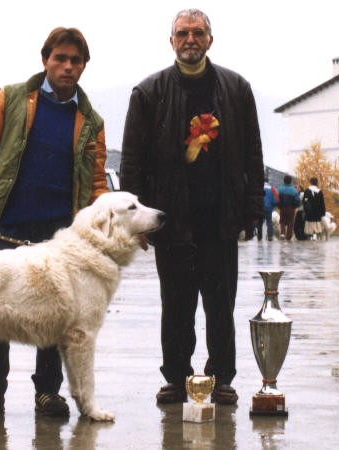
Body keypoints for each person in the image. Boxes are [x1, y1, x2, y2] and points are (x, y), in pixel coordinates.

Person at [0, 27, 109, 418]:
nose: (68, 66)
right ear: (45, 60)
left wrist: (117, 226)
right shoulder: (12, 99)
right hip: (3, 226)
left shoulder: (91, 120)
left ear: (84, 67)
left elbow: (96, 184)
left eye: (76, 61)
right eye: (61, 58)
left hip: (60, 236)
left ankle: (48, 393)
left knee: (55, 317)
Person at [120, 8, 264, 406]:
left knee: (221, 305)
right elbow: (132, 161)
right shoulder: (147, 93)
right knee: (176, 306)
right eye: (182, 33)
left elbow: (253, 151)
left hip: (220, 219)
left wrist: (252, 208)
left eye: (197, 33)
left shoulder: (237, 89)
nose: (190, 39)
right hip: (171, 220)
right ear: (171, 42)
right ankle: (176, 377)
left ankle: (221, 378)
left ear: (210, 40)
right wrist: (135, 221)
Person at [277, 175, 300, 240]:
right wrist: (295, 206)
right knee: (291, 222)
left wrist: (279, 206)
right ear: (290, 181)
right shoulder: (294, 190)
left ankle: (282, 234)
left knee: (282, 221)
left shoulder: (280, 189)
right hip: (291, 208)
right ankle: (288, 237)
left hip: (282, 207)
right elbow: (297, 200)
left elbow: (277, 199)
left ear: (284, 181)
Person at [258, 177, 279, 241]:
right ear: (268, 181)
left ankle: (259, 237)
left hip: (260, 207)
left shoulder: (259, 188)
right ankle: (270, 236)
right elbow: (276, 200)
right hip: (269, 208)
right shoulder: (272, 189)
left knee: (260, 222)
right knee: (269, 221)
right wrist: (273, 205)